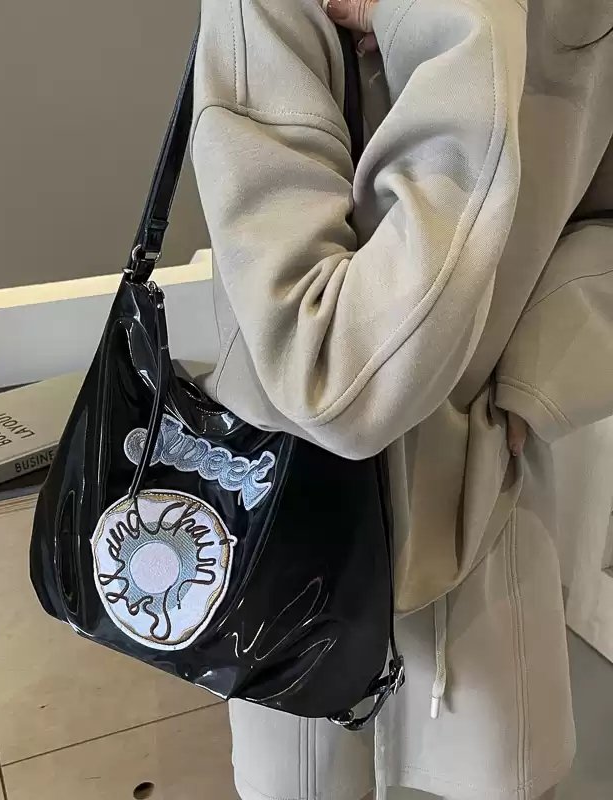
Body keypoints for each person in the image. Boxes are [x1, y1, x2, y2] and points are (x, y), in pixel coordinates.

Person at [190, 1, 613, 799]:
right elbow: (335, 374)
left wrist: (540, 378)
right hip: (289, 526)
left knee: (505, 771)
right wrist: (454, 21)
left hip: (488, 509)